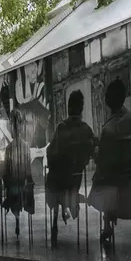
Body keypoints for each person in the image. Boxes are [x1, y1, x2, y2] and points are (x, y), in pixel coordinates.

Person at [88, 79, 131, 243]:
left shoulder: (108, 128)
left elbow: (103, 160)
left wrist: (95, 151)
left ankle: (107, 223)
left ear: (108, 100)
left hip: (115, 181)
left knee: (100, 176)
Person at [46, 90, 96, 246]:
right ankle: (66, 205)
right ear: (81, 108)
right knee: (69, 181)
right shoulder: (87, 130)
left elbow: (50, 152)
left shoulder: (61, 127)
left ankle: (56, 214)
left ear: (68, 107)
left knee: (53, 180)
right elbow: (92, 152)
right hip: (75, 182)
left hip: (58, 181)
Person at [2, 109, 35, 238]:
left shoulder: (9, 148)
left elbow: (6, 169)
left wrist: (6, 181)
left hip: (14, 184)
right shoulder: (24, 146)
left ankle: (16, 219)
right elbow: (27, 168)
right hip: (20, 183)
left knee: (14, 199)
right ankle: (17, 219)